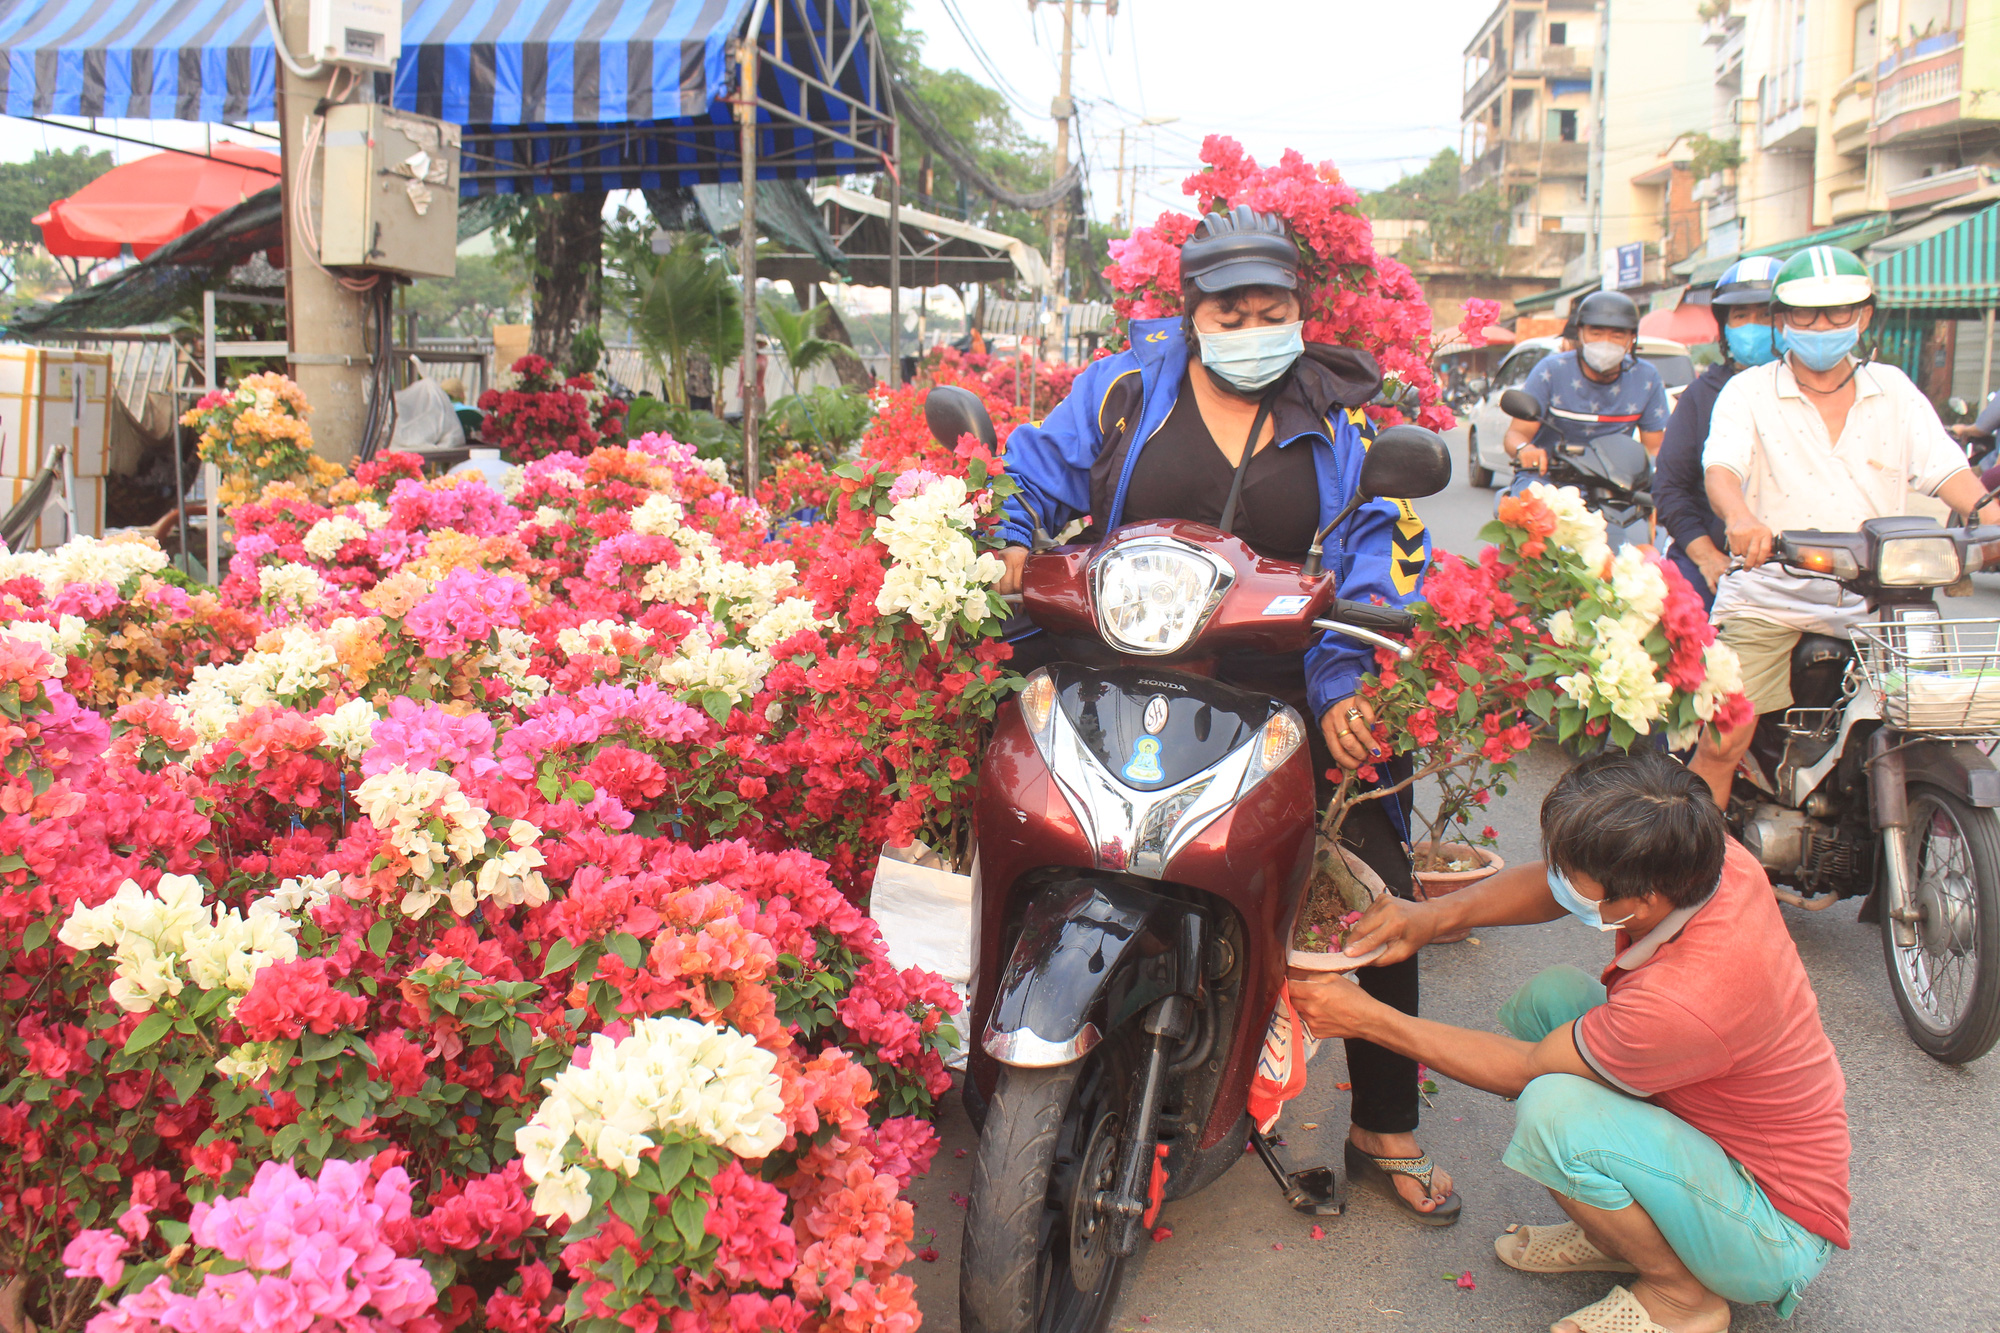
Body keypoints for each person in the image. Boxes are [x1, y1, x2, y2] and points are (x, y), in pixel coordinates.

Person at [994, 205, 1457, 1223]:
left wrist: (1346, 687)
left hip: (1278, 676)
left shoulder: (1339, 421)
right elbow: (1030, 479)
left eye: (1272, 307)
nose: (1254, 324)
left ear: (1300, 309)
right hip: (1108, 655)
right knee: (976, 805)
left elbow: (1372, 558)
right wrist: (1004, 537)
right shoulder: (1123, 389)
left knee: (1375, 867)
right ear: (1191, 313)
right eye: (1232, 308)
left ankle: (1383, 1125)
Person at [1290, 750, 1850, 1333]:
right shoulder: (1702, 855)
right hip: (1712, 1136)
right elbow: (1558, 887)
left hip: (1772, 1228)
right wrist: (1430, 918)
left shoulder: (1686, 997)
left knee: (1553, 1113)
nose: (1559, 877)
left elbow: (1527, 1069)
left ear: (1644, 900)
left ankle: (1683, 1296)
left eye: (1577, 876)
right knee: (1553, 998)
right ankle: (1630, 1234)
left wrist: (1365, 1017)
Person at [1689, 245, 1999, 807]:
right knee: (1721, 740)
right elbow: (1722, 470)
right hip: (1771, 597)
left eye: (1839, 312)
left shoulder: (1896, 391)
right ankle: (1697, 879)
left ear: (1865, 316)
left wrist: (1988, 517)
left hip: (1878, 605)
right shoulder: (1749, 391)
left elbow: (1949, 471)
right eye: (1806, 314)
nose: (1823, 326)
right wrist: (1740, 517)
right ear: (1783, 319)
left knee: (1938, 718)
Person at [1651, 258, 1784, 610]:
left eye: (1765, 314)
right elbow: (1670, 488)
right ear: (1724, 327)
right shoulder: (1700, 396)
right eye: (1740, 316)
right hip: (1718, 560)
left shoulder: (1819, 392)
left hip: (1802, 566)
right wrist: (1707, 555)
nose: (1753, 326)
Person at [1502, 290, 1669, 492]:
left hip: (1616, 485)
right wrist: (1524, 450)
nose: (1605, 342)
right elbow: (1516, 433)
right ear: (1580, 334)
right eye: (1596, 333)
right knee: (1524, 511)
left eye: (1617, 335)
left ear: (1632, 338)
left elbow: (1653, 448)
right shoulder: (1551, 370)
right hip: (1547, 480)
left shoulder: (1646, 377)